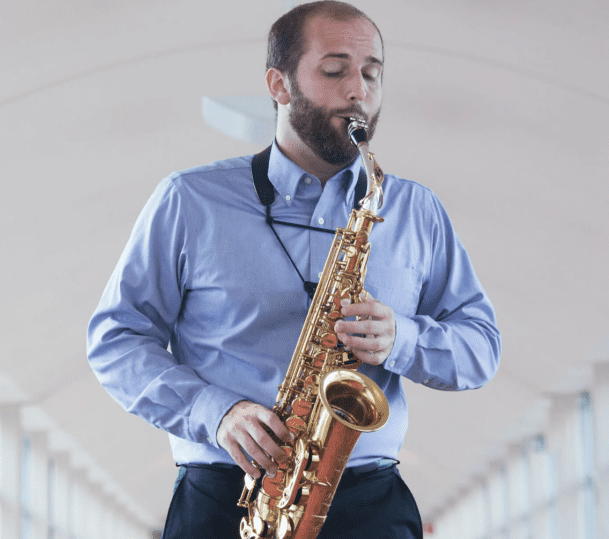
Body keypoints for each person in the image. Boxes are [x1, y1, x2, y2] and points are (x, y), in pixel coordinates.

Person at [87, 2, 501, 537]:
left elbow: (481, 346)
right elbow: (115, 339)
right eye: (335, 70)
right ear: (278, 85)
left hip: (369, 503)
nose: (359, 90)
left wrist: (403, 338)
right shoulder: (189, 201)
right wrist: (214, 412)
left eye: (372, 73)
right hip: (226, 496)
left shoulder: (414, 210)